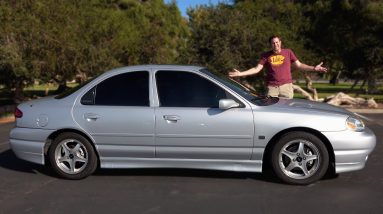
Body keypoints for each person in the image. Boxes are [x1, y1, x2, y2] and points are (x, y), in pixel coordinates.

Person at [228, 35, 327, 99]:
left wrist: (314, 68)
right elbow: (256, 69)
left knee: (287, 111)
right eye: (273, 43)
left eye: (277, 42)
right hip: (272, 88)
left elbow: (299, 65)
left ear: (280, 43)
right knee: (272, 112)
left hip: (286, 87)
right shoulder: (266, 55)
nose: (275, 44)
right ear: (270, 45)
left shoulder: (288, 52)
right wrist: (240, 73)